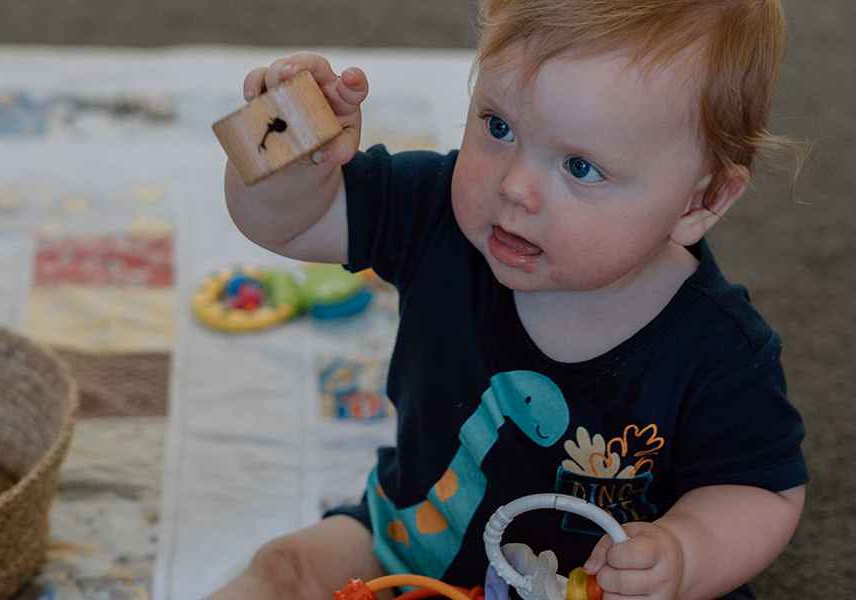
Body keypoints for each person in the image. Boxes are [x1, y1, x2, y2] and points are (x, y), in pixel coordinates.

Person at [209, 0, 809, 598]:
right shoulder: (435, 212)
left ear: (699, 203)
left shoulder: (721, 350)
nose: (515, 187)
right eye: (499, 127)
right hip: (411, 548)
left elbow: (761, 489)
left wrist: (685, 551)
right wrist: (288, 150)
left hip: (603, 592)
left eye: (581, 166)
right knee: (282, 570)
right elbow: (293, 223)